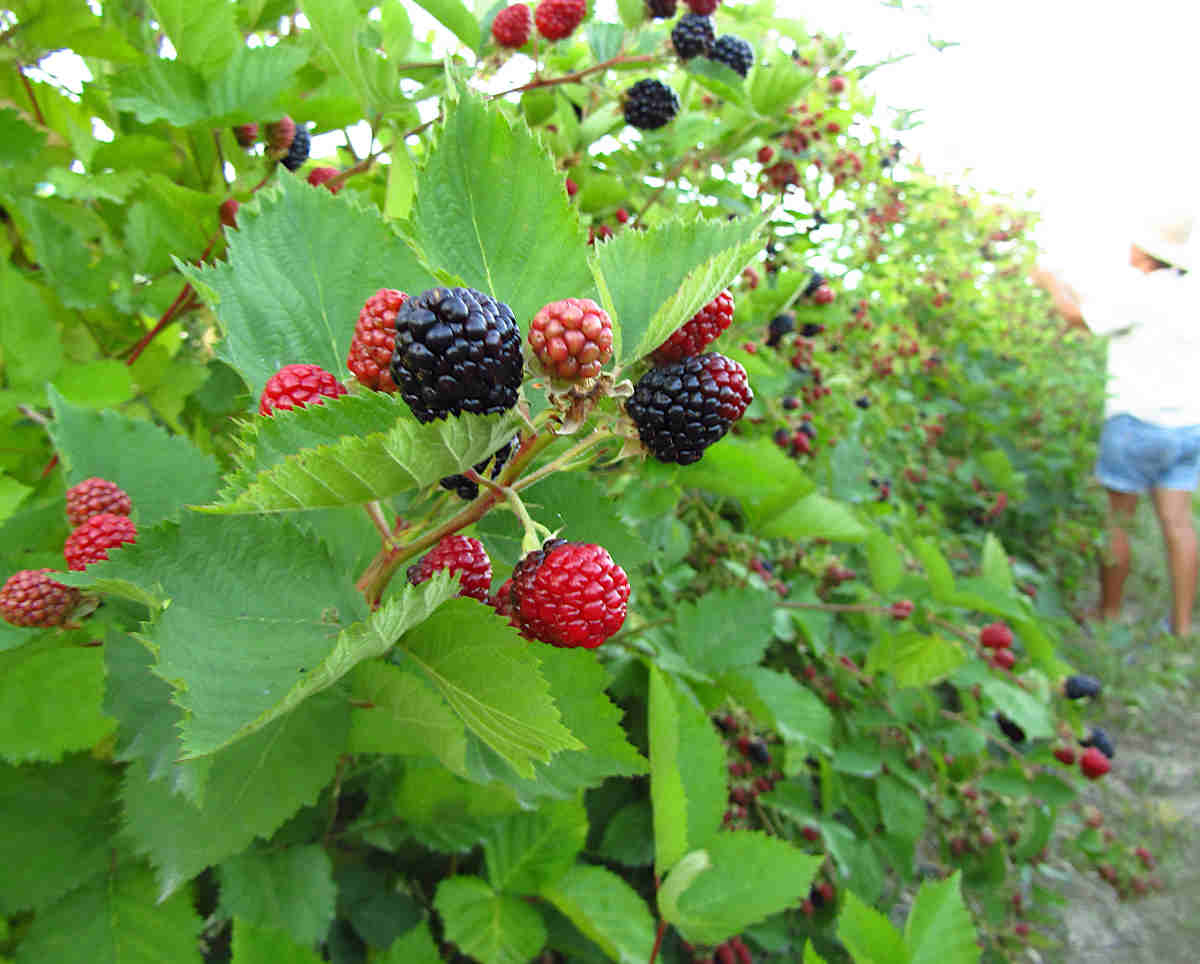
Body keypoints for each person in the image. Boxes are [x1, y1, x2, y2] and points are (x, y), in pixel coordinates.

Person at [1033, 213, 1198, 635]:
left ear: (1146, 253)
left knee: (1118, 522)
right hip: (1187, 427)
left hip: (1136, 423)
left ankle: (1109, 615)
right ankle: (1180, 626)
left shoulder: (1140, 292)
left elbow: (1077, 318)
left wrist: (1049, 282)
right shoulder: (1189, 295)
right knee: (1178, 524)